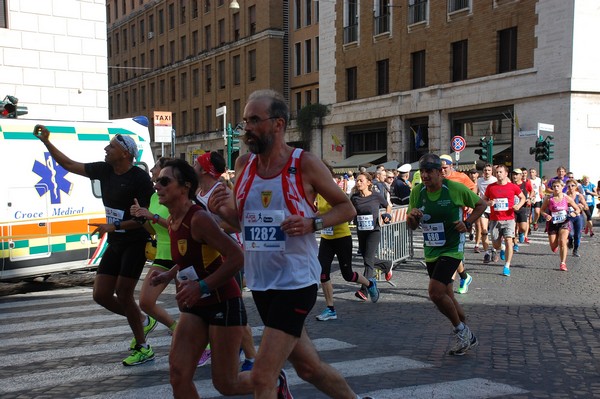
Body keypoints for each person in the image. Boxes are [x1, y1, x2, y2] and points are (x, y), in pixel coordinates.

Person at [208, 89, 371, 399]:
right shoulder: (243, 166)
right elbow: (240, 222)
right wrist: (221, 212)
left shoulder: (304, 163)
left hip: (296, 281)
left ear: (278, 124)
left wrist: (313, 223)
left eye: (255, 120)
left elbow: (346, 207)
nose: (247, 128)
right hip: (261, 282)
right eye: (245, 121)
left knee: (262, 374)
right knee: (308, 368)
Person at [33, 125, 157, 366]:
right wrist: (46, 142)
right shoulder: (104, 170)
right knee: (100, 294)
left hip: (134, 242)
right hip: (116, 242)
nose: (106, 148)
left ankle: (143, 347)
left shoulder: (139, 178)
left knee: (123, 293)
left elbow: (144, 218)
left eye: (111, 146)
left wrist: (116, 225)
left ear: (125, 153)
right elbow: (69, 165)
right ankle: (141, 319)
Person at [149, 159, 253, 399]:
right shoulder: (174, 220)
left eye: (164, 181)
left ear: (185, 187)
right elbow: (191, 256)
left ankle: (271, 380)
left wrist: (202, 286)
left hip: (223, 303)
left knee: (226, 384)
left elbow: (237, 257)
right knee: (178, 374)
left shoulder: (199, 218)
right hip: (196, 306)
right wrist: (170, 273)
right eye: (156, 181)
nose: (157, 186)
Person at [407, 153, 486, 356]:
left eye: (429, 171)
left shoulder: (453, 189)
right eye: (422, 171)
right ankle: (467, 334)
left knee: (435, 292)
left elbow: (481, 205)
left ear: (440, 172)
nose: (425, 175)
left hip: (452, 247)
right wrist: (413, 217)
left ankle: (461, 331)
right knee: (447, 295)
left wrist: (467, 223)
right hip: (431, 248)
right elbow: (411, 225)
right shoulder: (417, 192)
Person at [193, 151, 256, 371]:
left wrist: (213, 229)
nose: (193, 165)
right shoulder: (198, 191)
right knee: (217, 304)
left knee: (233, 304)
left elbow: (238, 224)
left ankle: (251, 358)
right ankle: (234, 347)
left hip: (231, 253)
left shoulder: (221, 192)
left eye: (196, 163)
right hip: (211, 254)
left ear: (203, 169)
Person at [315, 166, 380, 321]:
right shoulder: (317, 192)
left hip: (341, 236)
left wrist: (323, 220)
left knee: (347, 274)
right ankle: (330, 309)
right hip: (326, 237)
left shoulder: (334, 191)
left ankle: (370, 284)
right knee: (323, 272)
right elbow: (319, 212)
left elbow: (346, 212)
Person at [129, 157, 178, 344]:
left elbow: (177, 227)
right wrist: (142, 217)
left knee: (188, 306)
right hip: (163, 255)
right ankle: (177, 327)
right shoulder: (153, 196)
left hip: (181, 255)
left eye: (155, 168)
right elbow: (152, 229)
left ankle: (206, 342)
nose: (151, 171)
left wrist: (153, 215)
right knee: (146, 302)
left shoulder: (176, 195)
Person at [351, 172, 393, 300]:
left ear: (369, 183)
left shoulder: (376, 196)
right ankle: (386, 265)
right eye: (357, 181)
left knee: (368, 262)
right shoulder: (354, 198)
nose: (358, 183)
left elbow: (388, 206)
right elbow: (350, 210)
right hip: (361, 231)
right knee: (366, 258)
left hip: (374, 231)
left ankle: (365, 289)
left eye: (361, 181)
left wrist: (387, 215)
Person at [439, 155, 477, 294]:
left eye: (445, 168)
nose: (442, 171)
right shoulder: (436, 178)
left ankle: (448, 285)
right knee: (445, 252)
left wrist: (471, 203)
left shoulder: (461, 177)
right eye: (440, 168)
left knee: (452, 252)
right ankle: (464, 276)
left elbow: (473, 188)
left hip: (457, 218)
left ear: (451, 166)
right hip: (441, 219)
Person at [483, 164, 526, 277]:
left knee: (509, 241)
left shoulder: (513, 187)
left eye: (500, 172)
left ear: (506, 174)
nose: (498, 174)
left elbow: (523, 198)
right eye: (497, 172)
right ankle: (500, 248)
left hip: (509, 219)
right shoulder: (491, 187)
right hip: (495, 219)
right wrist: (489, 203)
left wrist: (518, 205)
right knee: (496, 245)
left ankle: (507, 266)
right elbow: (484, 199)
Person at [540, 178, 580, 271]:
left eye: (558, 186)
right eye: (554, 186)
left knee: (562, 241)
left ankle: (563, 263)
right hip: (552, 223)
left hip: (564, 222)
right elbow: (542, 210)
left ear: (562, 187)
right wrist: (546, 215)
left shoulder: (566, 198)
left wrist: (575, 213)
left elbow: (577, 208)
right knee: (553, 246)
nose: (556, 188)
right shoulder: (549, 198)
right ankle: (558, 243)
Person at [476, 164, 497, 262]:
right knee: (484, 231)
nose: (487, 172)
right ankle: (486, 253)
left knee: (494, 233)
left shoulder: (495, 181)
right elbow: (476, 192)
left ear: (492, 171)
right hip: (484, 208)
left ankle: (494, 249)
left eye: (489, 170)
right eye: (485, 170)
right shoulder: (479, 181)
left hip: (494, 209)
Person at [565, 178, 588, 257]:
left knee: (577, 234)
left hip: (578, 217)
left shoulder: (579, 195)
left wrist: (582, 206)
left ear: (576, 187)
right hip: (568, 217)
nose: (571, 187)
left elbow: (586, 207)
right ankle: (570, 241)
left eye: (572, 185)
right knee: (570, 234)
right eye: (569, 186)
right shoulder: (565, 195)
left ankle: (575, 250)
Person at [511, 169, 533, 249]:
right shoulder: (510, 185)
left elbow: (532, 191)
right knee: (513, 228)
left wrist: (529, 198)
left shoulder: (526, 184)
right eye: (513, 174)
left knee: (523, 227)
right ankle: (515, 244)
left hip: (522, 207)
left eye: (516, 174)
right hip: (512, 209)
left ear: (521, 176)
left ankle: (521, 233)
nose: (515, 176)